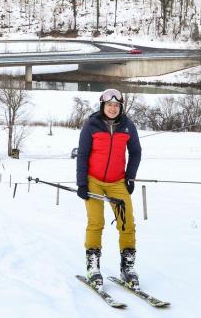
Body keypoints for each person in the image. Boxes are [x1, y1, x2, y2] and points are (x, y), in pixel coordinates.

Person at [76, 88, 142, 289]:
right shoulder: (91, 125)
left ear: (120, 107)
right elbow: (83, 154)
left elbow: (136, 152)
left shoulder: (128, 126)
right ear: (102, 105)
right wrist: (82, 183)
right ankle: (93, 266)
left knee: (127, 223)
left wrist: (130, 177)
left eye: (116, 105)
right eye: (109, 105)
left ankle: (127, 267)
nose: (112, 108)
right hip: (93, 180)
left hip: (117, 182)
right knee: (96, 222)